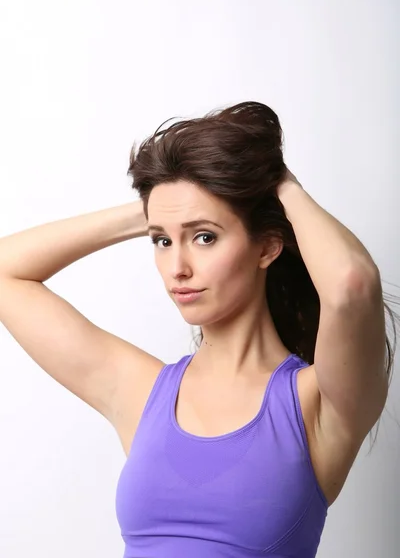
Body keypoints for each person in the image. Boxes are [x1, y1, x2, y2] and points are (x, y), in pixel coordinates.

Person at [0, 101, 397, 558]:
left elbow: (351, 285)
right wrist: (158, 210)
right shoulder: (142, 393)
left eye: (204, 237)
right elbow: (9, 274)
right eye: (162, 242)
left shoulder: (318, 403)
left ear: (267, 247)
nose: (177, 267)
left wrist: (277, 183)